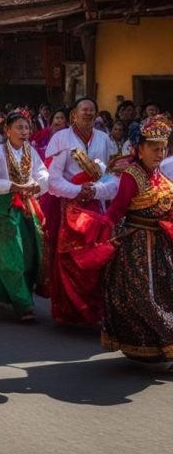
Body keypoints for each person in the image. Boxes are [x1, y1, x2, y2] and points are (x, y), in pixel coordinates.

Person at [99, 116, 173, 361]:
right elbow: (116, 210)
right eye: (154, 148)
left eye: (163, 148)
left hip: (161, 246)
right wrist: (99, 235)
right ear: (139, 149)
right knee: (143, 298)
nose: (160, 153)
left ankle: (161, 346)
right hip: (136, 248)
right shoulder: (132, 175)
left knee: (166, 295)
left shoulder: (160, 175)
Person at [0, 110, 49, 322]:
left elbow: (42, 173)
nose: (24, 132)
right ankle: (24, 305)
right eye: (19, 127)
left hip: (24, 205)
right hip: (1, 207)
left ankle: (2, 292)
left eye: (26, 127)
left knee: (29, 254)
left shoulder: (29, 151)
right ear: (7, 130)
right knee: (11, 254)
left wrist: (36, 184)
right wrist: (7, 185)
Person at [45, 97, 117, 325]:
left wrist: (95, 190)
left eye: (91, 110)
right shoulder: (61, 138)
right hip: (72, 207)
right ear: (73, 115)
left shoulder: (104, 139)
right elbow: (53, 179)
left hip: (97, 205)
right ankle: (69, 310)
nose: (88, 113)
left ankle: (94, 310)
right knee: (71, 259)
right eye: (83, 110)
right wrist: (77, 190)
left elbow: (112, 177)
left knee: (97, 257)